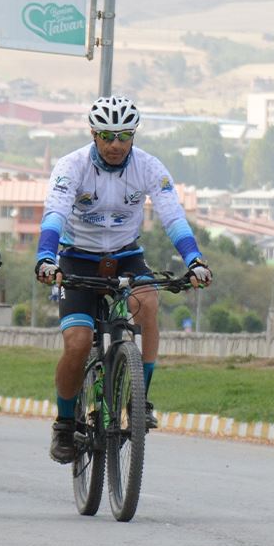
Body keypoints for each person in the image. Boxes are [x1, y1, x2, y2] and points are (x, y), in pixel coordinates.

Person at [34, 95, 212, 464]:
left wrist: (194, 259)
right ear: (94, 134)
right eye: (107, 136)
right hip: (76, 259)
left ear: (133, 135)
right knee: (79, 342)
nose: (116, 145)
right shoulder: (72, 166)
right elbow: (55, 213)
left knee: (148, 302)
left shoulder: (148, 166)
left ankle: (139, 400)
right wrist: (45, 257)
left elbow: (172, 214)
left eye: (124, 136)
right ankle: (65, 423)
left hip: (126, 256)